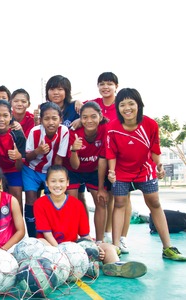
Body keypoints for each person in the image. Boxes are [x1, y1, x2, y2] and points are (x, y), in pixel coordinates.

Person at [107, 88, 186, 261]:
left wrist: (159, 165)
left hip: (145, 170)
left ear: (139, 105)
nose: (127, 108)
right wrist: (111, 172)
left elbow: (155, 149)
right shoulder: (112, 128)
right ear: (117, 107)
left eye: (131, 103)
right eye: (122, 105)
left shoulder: (150, 124)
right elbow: (111, 153)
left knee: (155, 203)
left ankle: (168, 248)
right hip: (121, 172)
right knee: (119, 204)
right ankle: (116, 247)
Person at [34, 165, 147, 279]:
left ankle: (116, 266)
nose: (57, 185)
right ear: (47, 183)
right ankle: (71, 267)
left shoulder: (77, 204)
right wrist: (61, 253)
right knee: (41, 242)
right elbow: (46, 234)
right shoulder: (40, 203)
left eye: (61, 181)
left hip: (74, 248)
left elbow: (84, 235)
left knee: (107, 247)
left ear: (68, 183)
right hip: (53, 248)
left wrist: (95, 248)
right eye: (53, 181)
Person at [86, 72, 132, 252]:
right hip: (102, 158)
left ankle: (122, 238)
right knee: (106, 197)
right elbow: (84, 112)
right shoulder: (95, 103)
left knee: (123, 198)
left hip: (121, 157)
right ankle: (106, 235)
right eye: (102, 84)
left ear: (116, 86)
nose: (105, 87)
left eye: (109, 84)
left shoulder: (122, 105)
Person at [22, 102, 69, 237]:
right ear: (41, 120)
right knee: (31, 199)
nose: (50, 122)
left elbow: (59, 159)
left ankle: (53, 232)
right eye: (46, 118)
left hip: (51, 170)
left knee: (52, 198)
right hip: (31, 170)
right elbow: (28, 157)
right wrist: (38, 151)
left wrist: (52, 178)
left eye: (54, 118)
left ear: (60, 119)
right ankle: (32, 236)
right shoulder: (35, 132)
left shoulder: (64, 131)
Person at [64, 101, 108, 242]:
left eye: (93, 116)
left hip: (95, 170)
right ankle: (77, 238)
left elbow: (102, 160)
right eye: (84, 117)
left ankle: (100, 241)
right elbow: (74, 166)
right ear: (80, 118)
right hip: (74, 170)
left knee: (101, 201)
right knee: (72, 203)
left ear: (100, 117)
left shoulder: (105, 130)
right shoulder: (74, 132)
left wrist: (101, 188)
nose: (89, 121)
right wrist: (74, 150)